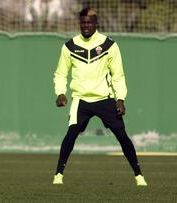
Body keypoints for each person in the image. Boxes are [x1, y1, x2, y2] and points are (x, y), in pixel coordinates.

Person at [52, 7, 147, 186]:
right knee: (71, 134)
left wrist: (120, 99)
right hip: (80, 99)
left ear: (97, 23)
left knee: (122, 135)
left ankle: (139, 176)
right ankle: (58, 175)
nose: (86, 26)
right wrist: (60, 93)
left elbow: (118, 74)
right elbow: (60, 73)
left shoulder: (109, 45)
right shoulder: (69, 46)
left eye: (89, 22)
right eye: (83, 23)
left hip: (104, 99)